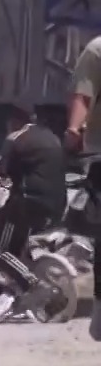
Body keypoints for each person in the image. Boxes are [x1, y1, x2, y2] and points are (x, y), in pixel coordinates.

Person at [0, 104, 66, 317]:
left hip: (27, 201)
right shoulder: (52, 137)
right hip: (57, 203)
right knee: (17, 247)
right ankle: (27, 293)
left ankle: (34, 285)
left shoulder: (16, 137)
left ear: (13, 121)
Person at [63, 32, 101, 340]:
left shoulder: (97, 49)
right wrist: (75, 129)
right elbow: (84, 95)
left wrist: (74, 131)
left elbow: (83, 95)